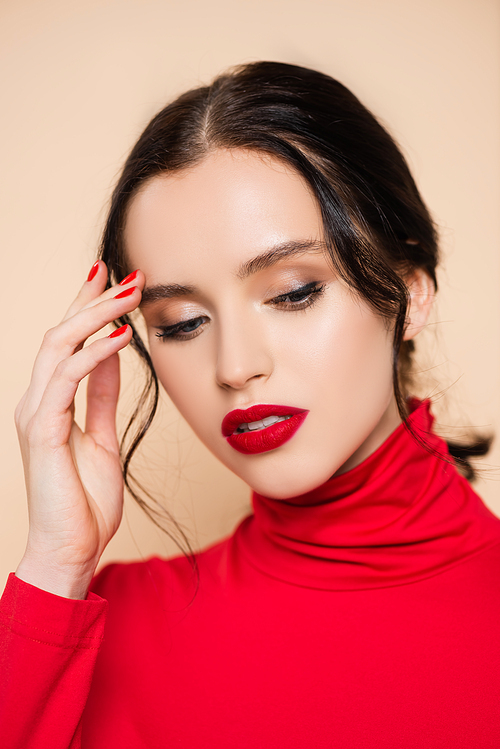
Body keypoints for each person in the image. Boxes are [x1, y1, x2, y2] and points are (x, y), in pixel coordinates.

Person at [1, 61, 499, 749]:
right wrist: (54, 569)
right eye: (179, 322)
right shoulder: (115, 630)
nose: (236, 367)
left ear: (410, 291)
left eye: (293, 292)